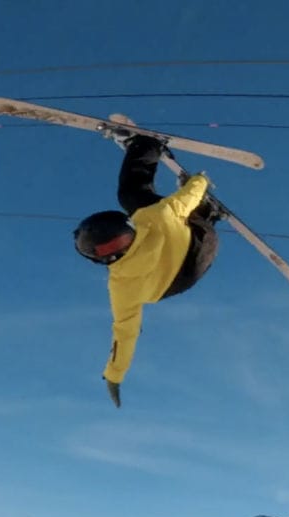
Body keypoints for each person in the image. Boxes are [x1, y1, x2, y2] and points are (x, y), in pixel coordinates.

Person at [73, 135, 222, 408]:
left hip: (188, 274)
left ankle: (208, 213)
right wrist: (198, 182)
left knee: (173, 211)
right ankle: (144, 146)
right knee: (131, 194)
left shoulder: (120, 285)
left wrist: (114, 376)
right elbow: (187, 196)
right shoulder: (156, 216)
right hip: (199, 238)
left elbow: (125, 332)